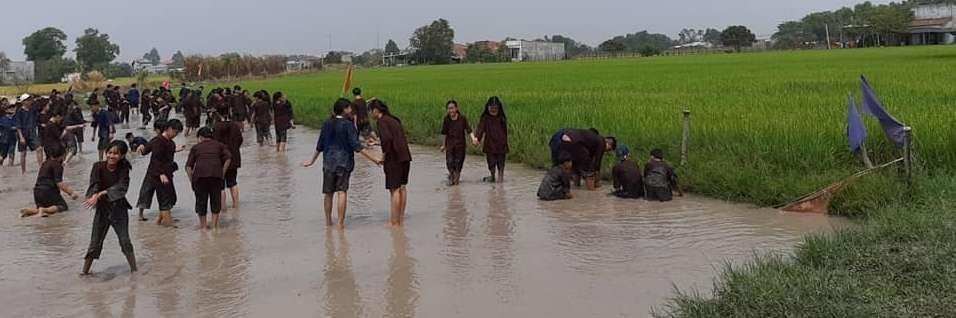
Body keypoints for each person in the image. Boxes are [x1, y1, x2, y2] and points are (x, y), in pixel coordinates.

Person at [303, 99, 381, 228]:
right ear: (344, 109)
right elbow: (357, 146)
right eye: (350, 108)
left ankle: (328, 222)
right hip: (344, 163)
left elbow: (320, 145)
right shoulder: (348, 125)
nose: (351, 111)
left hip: (328, 162)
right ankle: (340, 223)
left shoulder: (327, 123)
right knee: (341, 192)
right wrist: (374, 159)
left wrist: (312, 160)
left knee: (328, 193)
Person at [81, 140, 137, 275]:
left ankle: (134, 271)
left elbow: (121, 188)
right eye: (109, 152)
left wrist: (100, 194)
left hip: (119, 209)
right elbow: (94, 183)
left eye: (116, 153)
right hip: (102, 209)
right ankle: (84, 273)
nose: (112, 156)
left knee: (125, 241)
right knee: (94, 243)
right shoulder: (97, 166)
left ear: (122, 155)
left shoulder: (123, 169)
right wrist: (93, 195)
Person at [369, 99, 411, 226]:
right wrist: (378, 142)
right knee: (402, 187)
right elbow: (395, 138)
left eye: (370, 111)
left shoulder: (381, 122)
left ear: (376, 110)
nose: (370, 114)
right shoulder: (394, 119)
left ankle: (394, 222)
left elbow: (387, 140)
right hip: (405, 156)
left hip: (394, 158)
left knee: (394, 190)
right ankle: (400, 218)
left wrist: (383, 156)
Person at [137, 119, 184, 226]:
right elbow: (155, 159)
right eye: (175, 132)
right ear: (169, 129)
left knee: (170, 197)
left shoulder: (171, 143)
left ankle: (162, 219)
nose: (176, 135)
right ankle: (167, 223)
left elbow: (167, 155)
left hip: (166, 174)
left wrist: (177, 150)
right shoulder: (158, 141)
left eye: (177, 133)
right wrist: (161, 174)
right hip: (155, 173)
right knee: (148, 194)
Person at [186, 127, 231, 230]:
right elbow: (228, 158)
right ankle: (214, 226)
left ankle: (203, 228)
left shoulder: (196, 147)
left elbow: (188, 166)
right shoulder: (220, 145)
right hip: (216, 176)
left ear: (200, 137)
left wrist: (192, 180)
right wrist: (222, 173)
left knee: (201, 202)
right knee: (215, 201)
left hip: (200, 177)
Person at [550, 128, 617, 191]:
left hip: (564, 138)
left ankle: (575, 185)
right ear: (608, 144)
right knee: (589, 169)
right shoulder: (602, 142)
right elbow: (597, 161)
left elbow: (588, 156)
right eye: (609, 150)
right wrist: (596, 174)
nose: (606, 151)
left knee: (575, 165)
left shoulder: (592, 140)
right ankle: (592, 191)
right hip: (574, 140)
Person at [20, 146, 79, 217]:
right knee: (63, 206)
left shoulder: (45, 163)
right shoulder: (57, 165)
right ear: (63, 155)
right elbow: (59, 183)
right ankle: (44, 210)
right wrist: (71, 193)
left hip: (37, 191)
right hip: (48, 191)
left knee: (44, 206)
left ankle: (31, 211)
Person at [440, 100, 476, 186]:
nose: (450, 110)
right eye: (448, 109)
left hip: (460, 145)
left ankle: (456, 181)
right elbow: (444, 133)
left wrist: (473, 139)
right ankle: (452, 177)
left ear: (456, 108)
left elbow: (469, 130)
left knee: (459, 163)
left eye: (452, 108)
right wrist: (443, 145)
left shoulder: (462, 118)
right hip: (450, 145)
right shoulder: (446, 119)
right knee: (449, 162)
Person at [474, 96, 508, 183]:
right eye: (491, 108)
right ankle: (492, 176)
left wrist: (505, 143)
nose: (493, 110)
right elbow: (480, 129)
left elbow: (505, 132)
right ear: (488, 108)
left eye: (495, 108)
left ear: (498, 108)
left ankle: (500, 180)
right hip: (490, 145)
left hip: (501, 145)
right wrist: (477, 139)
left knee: (501, 164)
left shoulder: (502, 118)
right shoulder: (485, 118)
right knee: (491, 164)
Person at [214, 114, 244, 210]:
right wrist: (234, 148)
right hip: (234, 157)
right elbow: (240, 139)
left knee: (220, 185)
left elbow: (214, 143)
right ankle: (236, 206)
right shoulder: (235, 125)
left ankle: (223, 208)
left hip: (220, 159)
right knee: (233, 182)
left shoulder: (216, 126)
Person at [15, 95, 42, 173]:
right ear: (23, 102)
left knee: (39, 148)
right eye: (27, 100)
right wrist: (21, 137)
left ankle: (41, 168)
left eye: (30, 100)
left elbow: (38, 119)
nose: (30, 101)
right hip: (23, 134)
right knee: (23, 153)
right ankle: (23, 171)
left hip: (32, 133)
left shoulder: (32, 110)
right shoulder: (19, 112)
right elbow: (18, 126)